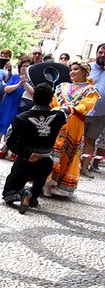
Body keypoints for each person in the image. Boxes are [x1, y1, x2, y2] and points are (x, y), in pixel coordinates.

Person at [1, 83, 66, 214]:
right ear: (50, 99)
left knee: (8, 194)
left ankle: (21, 194)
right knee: (37, 187)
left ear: (33, 97)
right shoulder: (59, 117)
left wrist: (26, 154)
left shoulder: (21, 118)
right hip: (45, 162)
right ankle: (32, 196)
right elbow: (66, 110)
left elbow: (9, 140)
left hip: (25, 161)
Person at [44, 61, 100, 197]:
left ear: (85, 72)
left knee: (68, 153)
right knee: (52, 151)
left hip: (74, 125)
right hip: (58, 122)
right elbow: (53, 102)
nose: (72, 72)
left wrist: (70, 108)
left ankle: (59, 185)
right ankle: (46, 182)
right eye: (71, 70)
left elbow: (85, 107)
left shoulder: (91, 90)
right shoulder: (62, 87)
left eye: (76, 69)